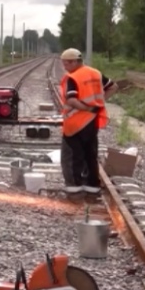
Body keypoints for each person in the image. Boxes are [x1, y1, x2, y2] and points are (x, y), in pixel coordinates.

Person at [58, 48, 119, 202]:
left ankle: (74, 191)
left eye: (66, 63)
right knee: (90, 155)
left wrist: (86, 107)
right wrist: (99, 102)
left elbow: (71, 100)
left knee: (72, 157)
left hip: (74, 124)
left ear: (74, 62)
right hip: (92, 122)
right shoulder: (95, 73)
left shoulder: (72, 77)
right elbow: (113, 86)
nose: (64, 67)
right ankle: (92, 190)